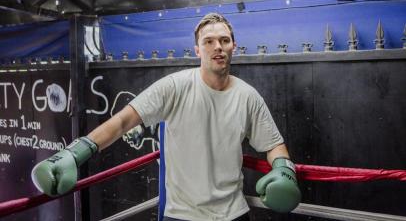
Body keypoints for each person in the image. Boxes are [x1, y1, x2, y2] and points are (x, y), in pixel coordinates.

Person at [31, 13, 301, 221]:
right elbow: (123, 121)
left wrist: (283, 170)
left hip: (233, 214)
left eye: (224, 40)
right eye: (209, 41)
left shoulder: (248, 96)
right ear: (197, 50)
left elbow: (273, 144)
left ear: (233, 47)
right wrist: (73, 153)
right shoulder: (174, 86)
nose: (217, 47)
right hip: (182, 215)